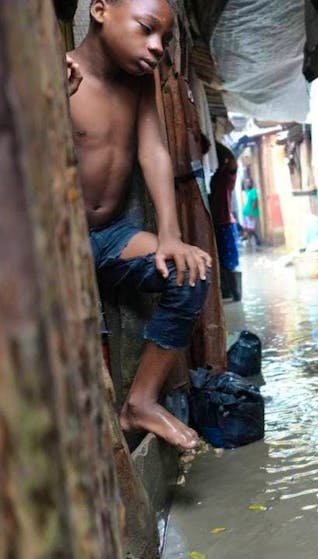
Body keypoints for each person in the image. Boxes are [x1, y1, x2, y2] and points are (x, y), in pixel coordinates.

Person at [67, 0, 209, 450]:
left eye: (164, 39)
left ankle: (140, 403)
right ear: (100, 10)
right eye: (147, 29)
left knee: (191, 273)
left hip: (107, 238)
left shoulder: (140, 81)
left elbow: (153, 151)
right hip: (46, 248)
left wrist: (170, 235)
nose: (156, 47)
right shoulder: (57, 74)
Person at [209, 144, 241, 301]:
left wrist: (217, 144)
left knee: (227, 260)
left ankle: (235, 291)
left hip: (225, 222)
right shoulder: (218, 174)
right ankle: (229, 290)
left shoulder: (228, 174)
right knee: (222, 259)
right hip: (218, 221)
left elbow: (233, 160)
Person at [241, 175, 263, 247]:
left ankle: (257, 240)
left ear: (251, 183)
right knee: (247, 228)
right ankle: (249, 240)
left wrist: (251, 212)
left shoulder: (253, 191)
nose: (247, 184)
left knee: (251, 229)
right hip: (245, 213)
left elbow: (255, 202)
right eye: (246, 183)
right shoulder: (247, 192)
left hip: (251, 213)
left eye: (248, 183)